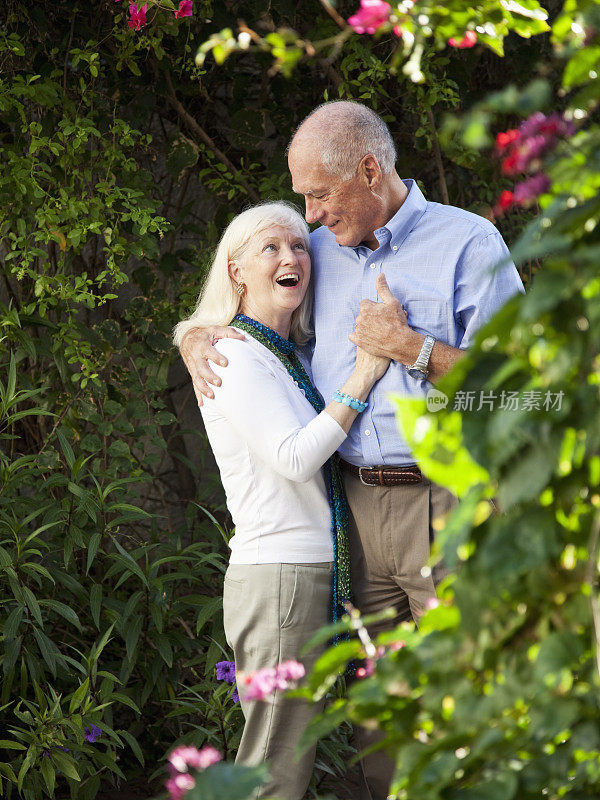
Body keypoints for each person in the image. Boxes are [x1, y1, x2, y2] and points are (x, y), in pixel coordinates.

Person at [177, 101, 525, 800]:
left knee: (467, 692)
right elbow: (255, 331)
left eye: (318, 194)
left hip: (445, 498)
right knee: (382, 709)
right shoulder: (318, 257)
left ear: (370, 170)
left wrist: (412, 349)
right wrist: (194, 334)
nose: (307, 216)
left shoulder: (469, 242)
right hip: (355, 512)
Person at [172, 201, 390, 800]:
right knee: (271, 771)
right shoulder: (234, 355)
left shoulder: (284, 354)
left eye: (298, 247)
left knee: (286, 763)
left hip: (308, 576)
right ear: (236, 270)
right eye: (271, 248)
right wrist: (364, 375)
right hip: (280, 582)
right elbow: (297, 456)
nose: (290, 258)